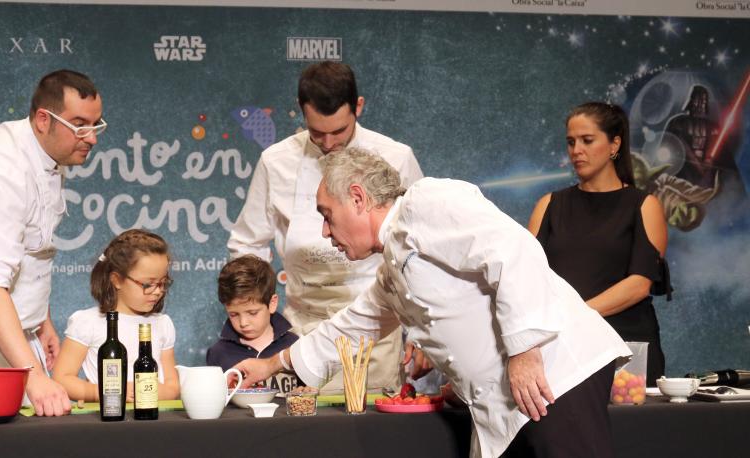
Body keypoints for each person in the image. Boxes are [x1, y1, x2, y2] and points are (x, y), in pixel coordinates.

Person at [235, 148, 631, 458]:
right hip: (509, 403)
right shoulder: (390, 269)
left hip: (555, 376)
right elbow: (353, 325)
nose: (324, 231)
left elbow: (512, 250)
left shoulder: (425, 203)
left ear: (358, 198)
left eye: (327, 215)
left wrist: (526, 350)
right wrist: (270, 364)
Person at [227, 61, 425, 393]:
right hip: (300, 326)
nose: (330, 143)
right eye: (318, 133)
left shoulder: (397, 157)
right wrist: (255, 313)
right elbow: (247, 244)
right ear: (302, 112)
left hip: (373, 328)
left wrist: (421, 330)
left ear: (358, 107)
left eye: (340, 131)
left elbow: (419, 249)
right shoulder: (276, 161)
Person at [0, 69, 107, 416]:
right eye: (80, 124)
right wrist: (32, 376)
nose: (91, 137)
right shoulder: (1, 171)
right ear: (42, 119)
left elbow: (30, 248)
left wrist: (40, 318)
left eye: (96, 125)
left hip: (11, 330)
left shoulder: (48, 154)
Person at [527, 102, 670, 385]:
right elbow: (526, 277)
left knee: (631, 429)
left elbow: (639, 284)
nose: (576, 150)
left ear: (614, 144)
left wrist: (573, 315)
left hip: (627, 349)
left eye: (587, 140)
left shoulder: (644, 205)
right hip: (562, 350)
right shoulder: (549, 205)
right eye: (571, 142)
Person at [52, 229, 179, 402]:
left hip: (152, 421)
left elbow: (172, 386)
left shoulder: (162, 324)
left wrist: (147, 391)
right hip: (105, 421)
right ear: (117, 280)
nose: (158, 291)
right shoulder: (88, 322)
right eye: (148, 284)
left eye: (163, 283)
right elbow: (62, 379)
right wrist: (105, 392)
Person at [206, 254, 300, 393]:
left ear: (272, 303)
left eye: (252, 313)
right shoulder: (218, 353)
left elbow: (309, 392)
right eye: (234, 314)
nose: (243, 323)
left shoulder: (295, 345)